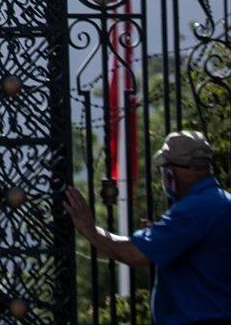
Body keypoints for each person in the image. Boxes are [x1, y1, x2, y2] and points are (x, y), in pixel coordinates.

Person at [65, 130, 231, 325]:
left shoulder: (195, 209)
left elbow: (134, 254)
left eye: (165, 166)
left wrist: (90, 231)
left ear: (176, 170)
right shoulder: (221, 202)